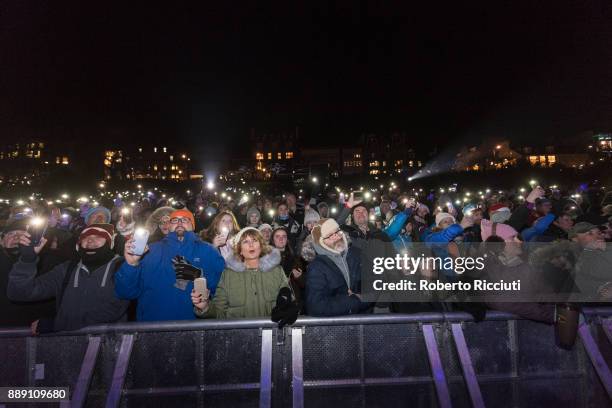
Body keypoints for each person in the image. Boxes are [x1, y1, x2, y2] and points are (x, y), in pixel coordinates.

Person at [7, 224, 129, 333]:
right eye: (86, 238)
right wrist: (27, 260)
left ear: (110, 243)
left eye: (98, 237)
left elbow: (115, 309)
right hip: (68, 346)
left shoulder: (122, 266)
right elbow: (20, 293)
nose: (91, 241)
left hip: (110, 345)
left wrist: (59, 324)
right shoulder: (67, 269)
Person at [115, 209, 225, 321]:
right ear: (169, 226)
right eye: (175, 220)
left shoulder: (209, 251)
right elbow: (125, 293)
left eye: (185, 220)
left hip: (192, 327)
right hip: (151, 327)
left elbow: (222, 292)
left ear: (193, 225)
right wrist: (131, 264)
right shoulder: (149, 250)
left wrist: (199, 276)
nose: (180, 222)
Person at [192, 227, 289, 318]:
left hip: (270, 333)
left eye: (254, 240)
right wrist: (205, 307)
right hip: (239, 334)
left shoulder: (276, 271)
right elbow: (219, 311)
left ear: (261, 246)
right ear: (240, 250)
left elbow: (289, 301)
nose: (251, 245)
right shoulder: (228, 275)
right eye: (245, 241)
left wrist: (288, 309)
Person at [305, 218, 371, 316]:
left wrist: (365, 297)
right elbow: (316, 307)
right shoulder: (317, 267)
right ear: (320, 243)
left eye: (337, 231)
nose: (336, 236)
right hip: (336, 327)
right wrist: (353, 301)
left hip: (364, 321)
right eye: (329, 235)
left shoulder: (357, 254)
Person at [0, 217, 56, 327]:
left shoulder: (48, 262)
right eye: (11, 234)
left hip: (31, 329)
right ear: (2, 241)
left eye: (22, 235)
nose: (16, 237)